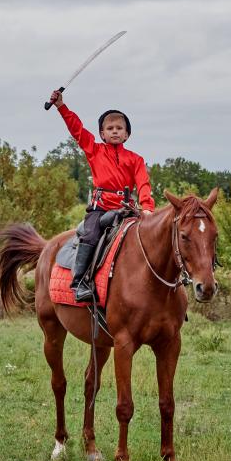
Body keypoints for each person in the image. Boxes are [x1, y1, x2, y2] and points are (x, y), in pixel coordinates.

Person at [49, 89, 155, 302]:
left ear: (127, 134)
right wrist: (61, 106)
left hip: (126, 210)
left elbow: (143, 184)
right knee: (90, 235)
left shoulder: (136, 159)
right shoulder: (94, 150)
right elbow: (77, 129)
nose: (115, 131)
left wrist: (147, 208)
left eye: (119, 128)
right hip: (101, 208)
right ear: (102, 134)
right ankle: (79, 283)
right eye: (110, 128)